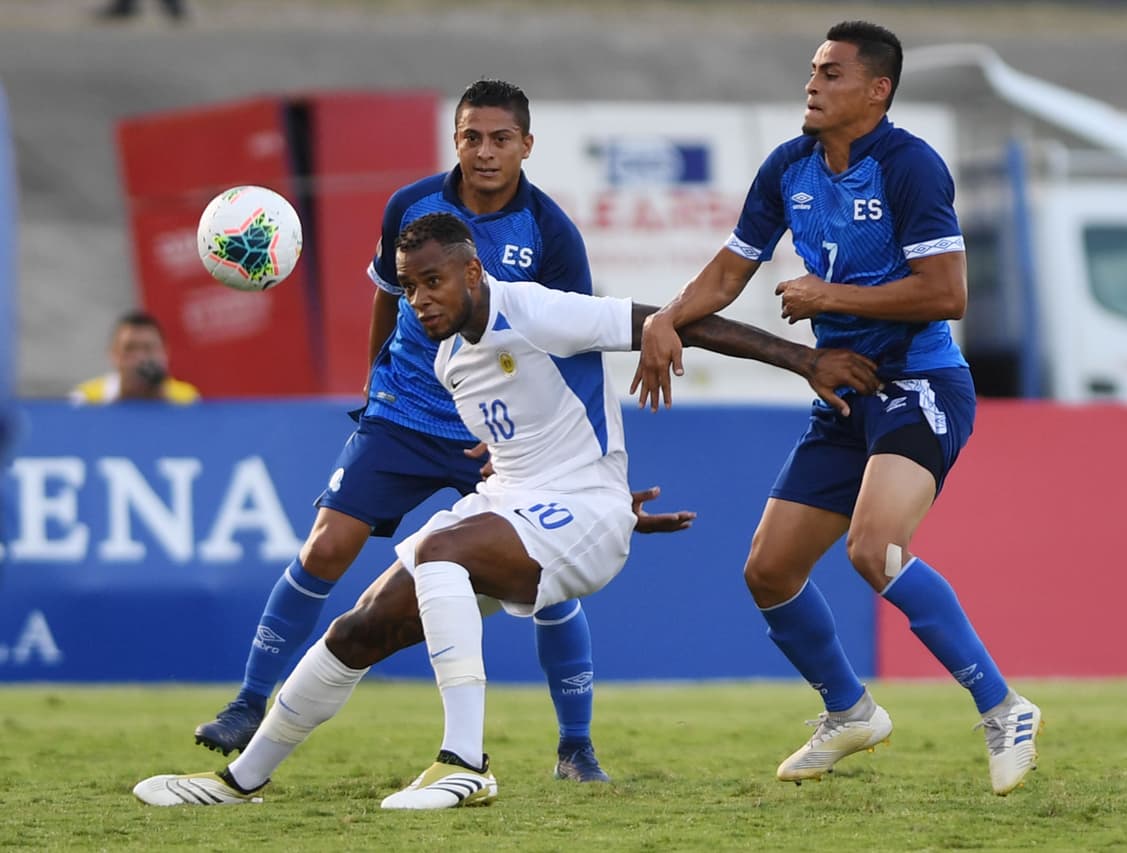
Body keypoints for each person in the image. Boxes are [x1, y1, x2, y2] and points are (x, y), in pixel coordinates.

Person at [131, 211, 882, 809]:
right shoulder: (450, 355)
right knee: (359, 626)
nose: (419, 299)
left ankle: (464, 762)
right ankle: (240, 781)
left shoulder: (538, 312)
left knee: (438, 552)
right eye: (407, 286)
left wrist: (805, 361)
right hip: (522, 505)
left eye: (432, 282)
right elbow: (527, 442)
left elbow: (675, 322)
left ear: (472, 271)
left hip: (583, 512)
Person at [632, 20, 1042, 796]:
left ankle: (1003, 706)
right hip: (845, 390)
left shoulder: (910, 166)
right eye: (813, 72)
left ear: (876, 90)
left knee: (873, 547)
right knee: (769, 568)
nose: (813, 85)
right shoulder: (788, 166)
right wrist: (664, 316)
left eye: (832, 74)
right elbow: (726, 273)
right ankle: (849, 710)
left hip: (920, 383)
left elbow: (948, 293)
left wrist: (829, 295)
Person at [192, 80, 619, 783]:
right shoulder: (411, 205)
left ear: (526, 146)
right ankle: (247, 701)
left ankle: (576, 745)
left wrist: (539, 434)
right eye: (471, 136)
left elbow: (570, 339)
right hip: (405, 410)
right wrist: (373, 385)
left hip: (498, 429)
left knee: (548, 584)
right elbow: (388, 299)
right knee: (328, 543)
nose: (484, 151)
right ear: (454, 139)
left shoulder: (551, 231)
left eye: (500, 139)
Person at [70, 311, 200, 405]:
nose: (140, 358)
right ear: (113, 354)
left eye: (148, 348)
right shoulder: (86, 400)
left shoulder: (185, 399)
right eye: (129, 348)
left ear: (165, 353)